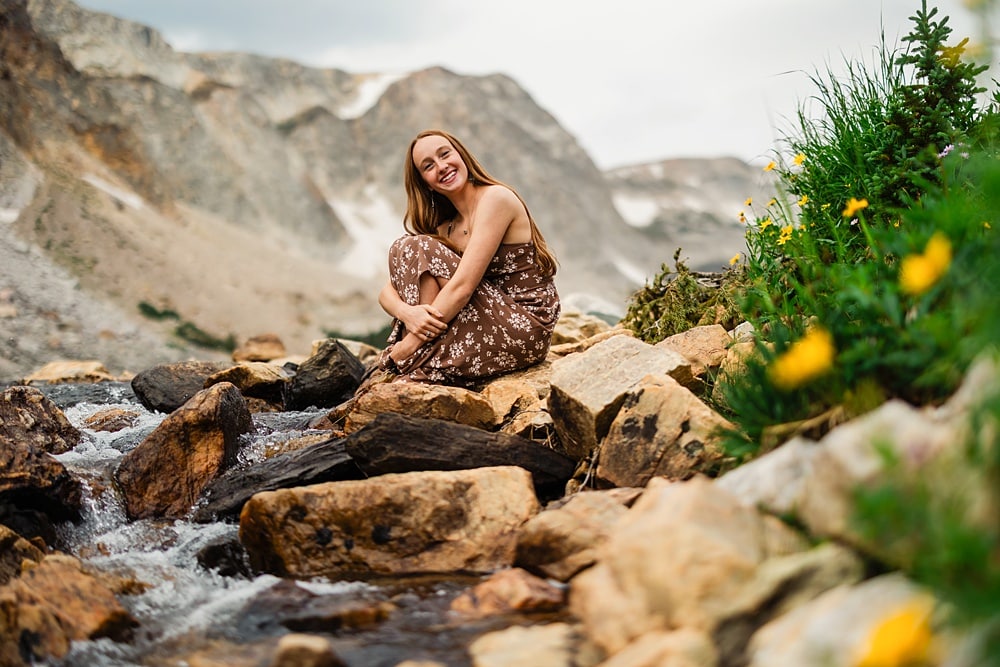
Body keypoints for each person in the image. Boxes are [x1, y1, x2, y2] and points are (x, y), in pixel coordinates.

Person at [372, 129, 561, 387]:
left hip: (525, 325)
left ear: (461, 154)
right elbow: (385, 293)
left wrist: (409, 344)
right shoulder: (447, 228)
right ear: (426, 183)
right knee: (405, 247)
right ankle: (422, 359)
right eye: (429, 166)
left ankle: (416, 356)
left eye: (445, 154)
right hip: (488, 319)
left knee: (418, 246)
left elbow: (462, 288)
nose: (441, 166)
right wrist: (409, 315)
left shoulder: (495, 198)